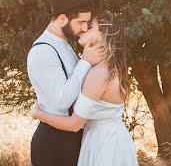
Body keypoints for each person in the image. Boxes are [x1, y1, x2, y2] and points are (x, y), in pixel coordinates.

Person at [31, 10, 138, 166]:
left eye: (90, 26)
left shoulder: (99, 73)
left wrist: (39, 114)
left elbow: (74, 124)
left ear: (102, 35)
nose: (84, 29)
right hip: (113, 140)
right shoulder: (110, 68)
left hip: (103, 144)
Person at [27, 0, 104, 166]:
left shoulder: (65, 45)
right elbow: (62, 102)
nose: (85, 28)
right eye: (80, 22)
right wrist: (85, 62)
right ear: (62, 19)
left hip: (71, 138)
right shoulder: (42, 52)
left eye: (88, 22)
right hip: (53, 145)